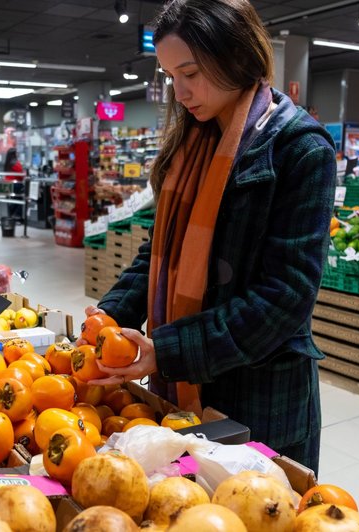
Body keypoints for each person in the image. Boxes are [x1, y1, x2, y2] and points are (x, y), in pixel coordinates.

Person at [81, 0, 336, 474]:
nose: (180, 93)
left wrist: (168, 351)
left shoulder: (301, 150)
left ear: (235, 56)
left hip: (260, 395)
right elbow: (155, 253)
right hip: (183, 386)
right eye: (170, 77)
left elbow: (285, 298)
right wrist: (107, 318)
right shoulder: (190, 145)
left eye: (190, 73)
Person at [3, 148, 25, 220]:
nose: (17, 154)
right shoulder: (15, 163)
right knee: (19, 200)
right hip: (16, 184)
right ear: (14, 154)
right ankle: (16, 216)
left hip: (7, 184)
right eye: (16, 153)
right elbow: (21, 174)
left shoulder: (8, 162)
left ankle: (10, 215)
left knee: (12, 200)